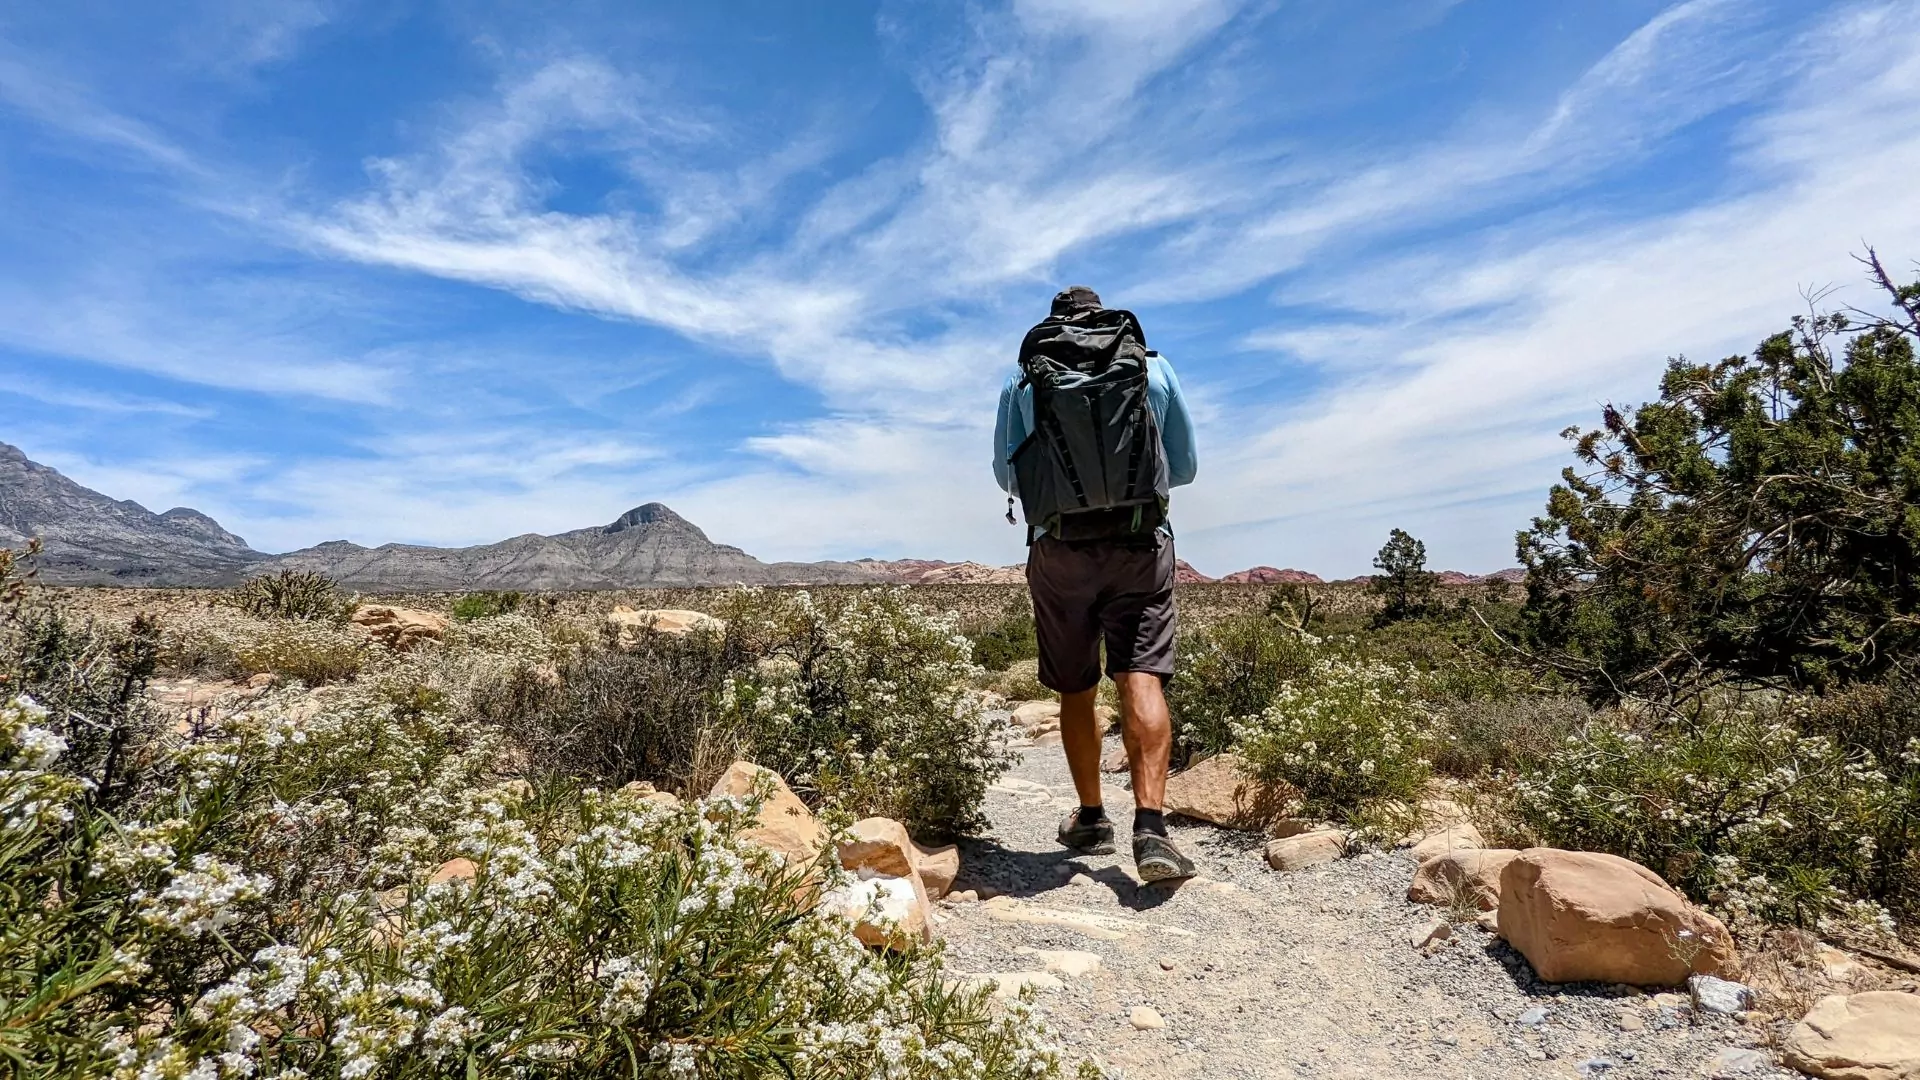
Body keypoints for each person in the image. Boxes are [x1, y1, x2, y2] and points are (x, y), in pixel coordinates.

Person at [993, 284, 1199, 882]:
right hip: (1139, 543)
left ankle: (1090, 817)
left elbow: (1007, 474)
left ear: (1055, 324)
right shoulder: (1152, 369)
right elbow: (1183, 468)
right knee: (1141, 674)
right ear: (1106, 318)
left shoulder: (1025, 378)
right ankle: (1152, 830)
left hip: (1058, 548)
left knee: (1076, 686)